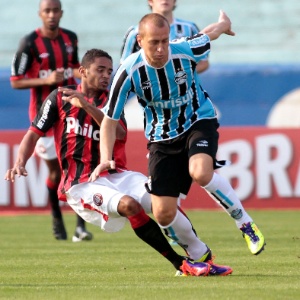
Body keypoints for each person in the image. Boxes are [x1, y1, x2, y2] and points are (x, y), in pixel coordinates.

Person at [5, 48, 232, 277]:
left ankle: (202, 255)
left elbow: (121, 133)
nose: (106, 75)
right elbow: (33, 132)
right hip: (81, 183)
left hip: (116, 173)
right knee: (129, 206)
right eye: (100, 70)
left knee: (162, 202)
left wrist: (87, 106)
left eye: (110, 71)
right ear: (83, 71)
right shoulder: (60, 97)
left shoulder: (112, 97)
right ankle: (181, 265)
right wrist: (20, 161)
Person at [90, 11, 266, 257]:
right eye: (154, 42)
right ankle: (198, 254)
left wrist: (224, 24)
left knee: (201, 171)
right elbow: (109, 121)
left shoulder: (183, 49)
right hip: (161, 138)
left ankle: (244, 223)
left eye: (164, 40)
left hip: (198, 120)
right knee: (163, 213)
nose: (161, 49)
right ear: (140, 41)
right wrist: (105, 158)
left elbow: (209, 34)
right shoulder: (128, 72)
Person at [10, 0, 92, 241]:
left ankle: (81, 226)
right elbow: (16, 81)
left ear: (61, 13)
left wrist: (85, 73)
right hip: (43, 116)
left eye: (55, 10)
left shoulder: (70, 38)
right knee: (56, 173)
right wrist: (45, 80)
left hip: (71, 112)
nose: (52, 15)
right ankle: (56, 216)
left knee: (77, 165)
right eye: (47, 11)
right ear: (40, 14)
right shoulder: (29, 43)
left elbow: (76, 68)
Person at [120, 0, 208, 74]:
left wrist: (180, 76)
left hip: (185, 92)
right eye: (154, 42)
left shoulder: (190, 28)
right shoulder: (135, 33)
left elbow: (203, 62)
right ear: (150, 1)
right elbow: (124, 67)